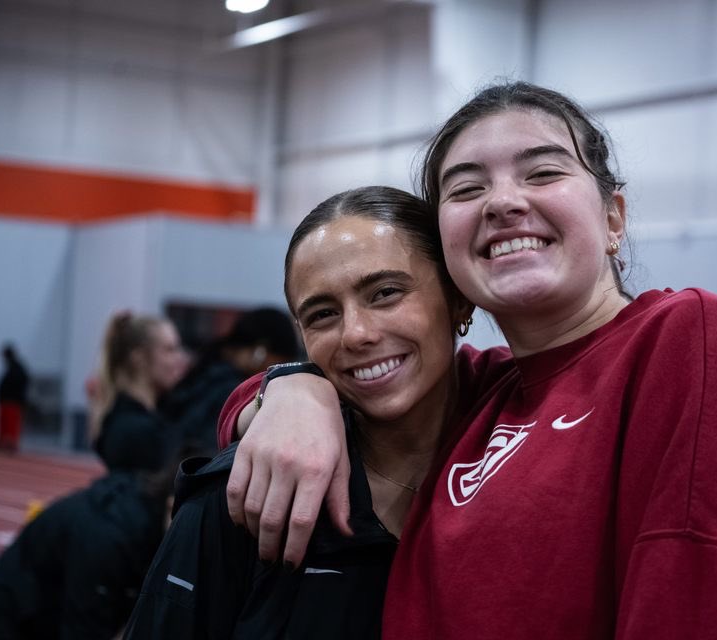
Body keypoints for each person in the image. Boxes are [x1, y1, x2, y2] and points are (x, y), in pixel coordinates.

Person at [219, 82, 717, 638]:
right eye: (466, 188)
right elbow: (353, 381)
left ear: (613, 218)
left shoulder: (687, 337)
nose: (503, 202)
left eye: (542, 173)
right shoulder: (481, 394)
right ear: (449, 259)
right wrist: (293, 390)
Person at [123, 186, 472, 638]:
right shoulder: (236, 498)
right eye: (323, 314)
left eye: (385, 293)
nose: (356, 334)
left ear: (458, 298)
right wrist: (286, 383)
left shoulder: (520, 444)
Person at [0, 461, 179, 639]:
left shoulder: (144, 513)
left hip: (39, 615)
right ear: (171, 506)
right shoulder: (111, 535)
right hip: (5, 623)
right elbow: (84, 628)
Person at [160, 306, 305, 453]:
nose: (280, 372)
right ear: (260, 352)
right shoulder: (231, 392)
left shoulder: (206, 374)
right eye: (280, 363)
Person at [90, 312, 188, 473]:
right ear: (139, 358)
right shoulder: (136, 430)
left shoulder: (152, 416)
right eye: (169, 350)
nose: (180, 358)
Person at [0, 343, 30, 452]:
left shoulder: (17, 368)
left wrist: (18, 397)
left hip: (12, 401)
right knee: (5, 424)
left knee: (10, 424)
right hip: (7, 400)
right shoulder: (12, 367)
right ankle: (4, 443)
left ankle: (10, 444)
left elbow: (23, 382)